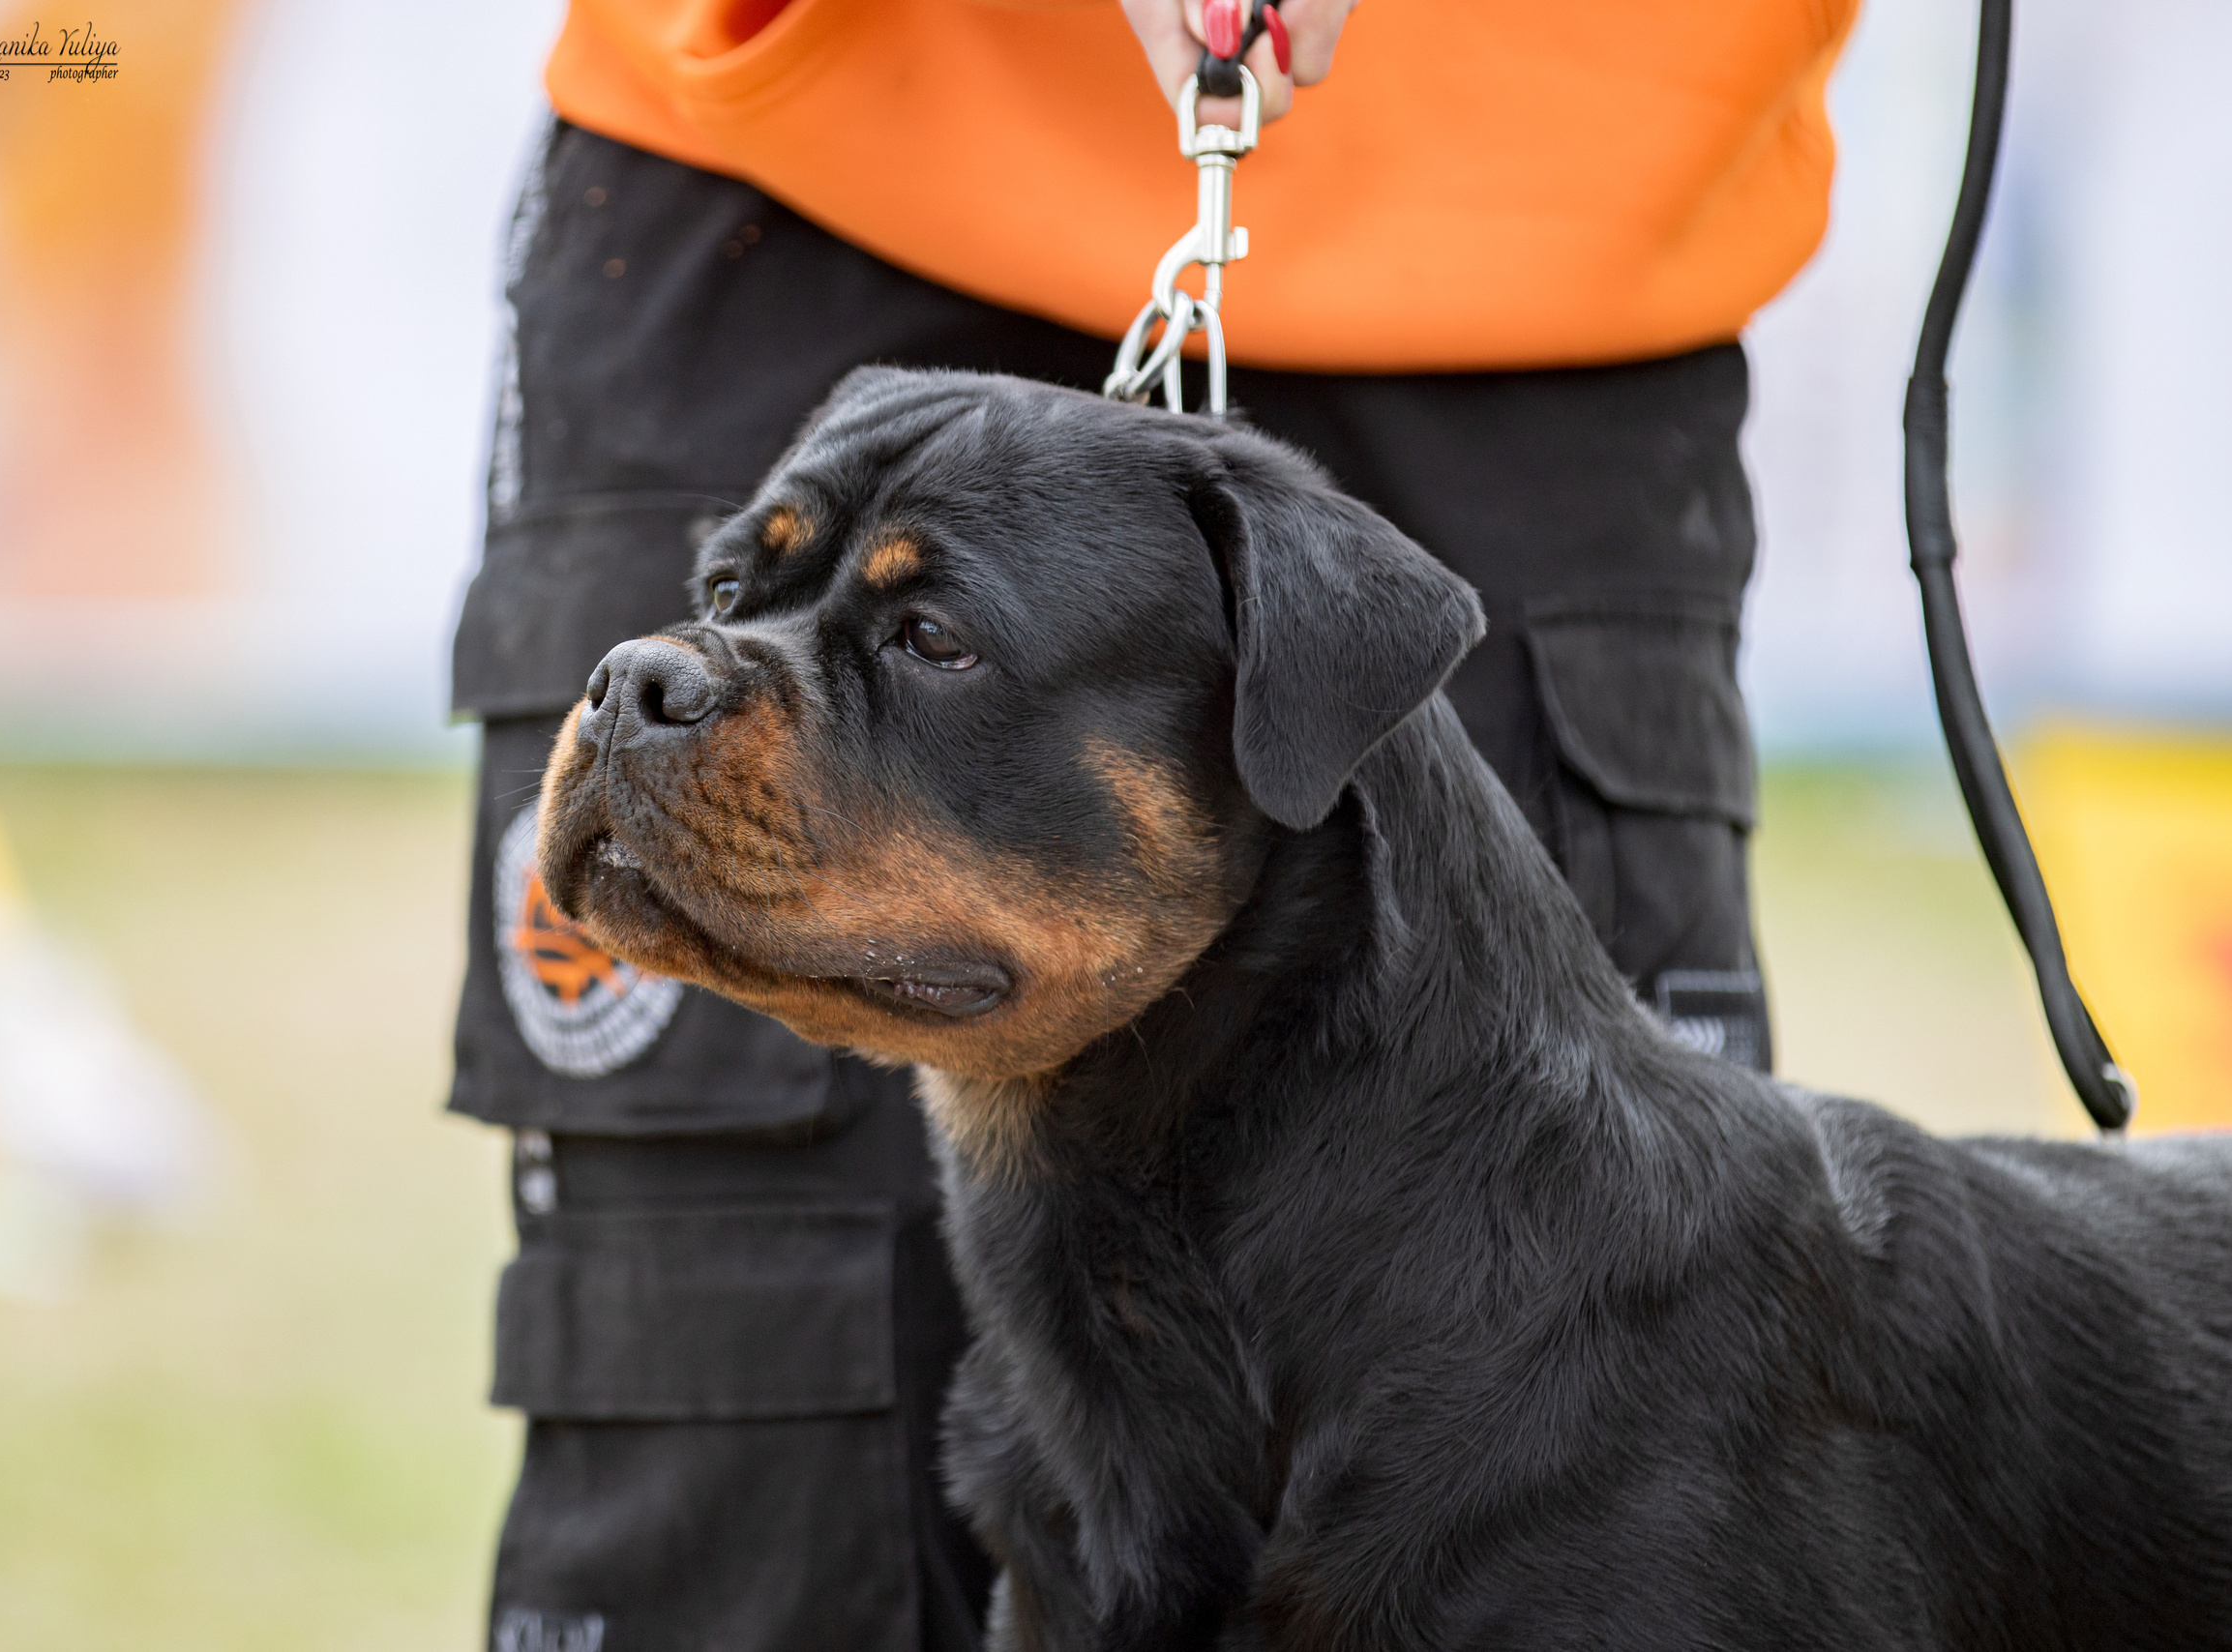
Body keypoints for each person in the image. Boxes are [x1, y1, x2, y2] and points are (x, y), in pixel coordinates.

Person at [448, 1, 1856, 1646]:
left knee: (1584, 1412)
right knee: (742, 1539)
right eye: (724, 604)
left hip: (1559, 271)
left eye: (912, 639)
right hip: (793, 176)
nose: (674, 673)